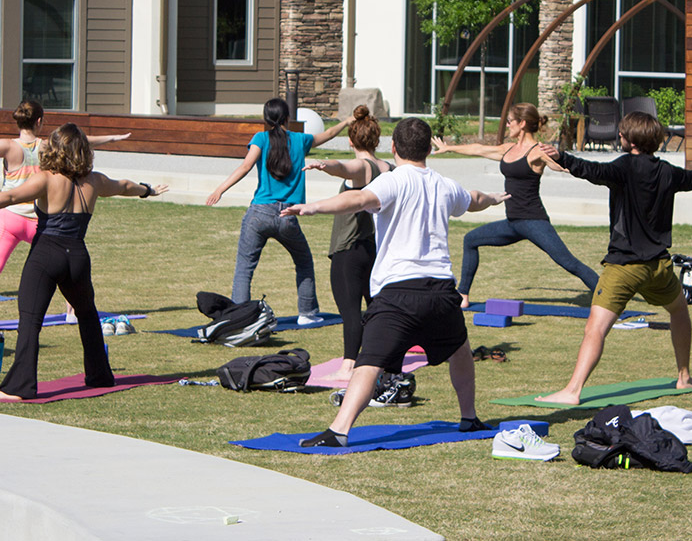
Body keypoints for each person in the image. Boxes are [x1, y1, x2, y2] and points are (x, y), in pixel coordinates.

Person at [280, 117, 510, 447]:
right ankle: (469, 417)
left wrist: (313, 208)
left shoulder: (393, 180)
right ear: (430, 148)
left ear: (393, 147)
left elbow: (357, 200)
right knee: (459, 351)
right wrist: (493, 198)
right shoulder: (443, 184)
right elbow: (473, 199)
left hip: (398, 293)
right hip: (441, 292)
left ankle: (339, 430)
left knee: (368, 362)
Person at [0, 123, 167, 400]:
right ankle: (100, 376)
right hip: (77, 257)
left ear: (56, 149)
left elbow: (12, 195)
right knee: (87, 315)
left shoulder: (46, 178)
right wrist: (148, 190)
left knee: (30, 320)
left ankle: (18, 388)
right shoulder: (94, 181)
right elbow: (124, 186)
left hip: (46, 255)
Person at [534, 111, 692, 406]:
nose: (620, 137)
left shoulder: (624, 167)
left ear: (629, 140)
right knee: (679, 311)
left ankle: (572, 391)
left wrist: (562, 157)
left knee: (595, 328)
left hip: (624, 267)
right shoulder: (667, 171)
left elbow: (592, 171)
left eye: (622, 134)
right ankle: (684, 376)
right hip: (659, 267)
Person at [0, 100, 129, 331]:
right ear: (40, 121)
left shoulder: (9, 146)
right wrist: (111, 138)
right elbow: (80, 142)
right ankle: (71, 312)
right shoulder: (49, 145)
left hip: (8, 219)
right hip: (41, 222)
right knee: (65, 261)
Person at [431, 103, 599, 308]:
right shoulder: (508, 149)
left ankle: (607, 297)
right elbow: (479, 149)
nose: (508, 125)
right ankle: (463, 295)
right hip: (512, 223)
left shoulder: (537, 151)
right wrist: (449, 147)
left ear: (522, 123)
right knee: (471, 239)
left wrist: (560, 162)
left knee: (569, 263)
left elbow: (556, 165)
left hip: (534, 221)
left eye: (510, 121)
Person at [206, 98, 351, 324]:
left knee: (244, 268)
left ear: (266, 119)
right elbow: (330, 133)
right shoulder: (301, 140)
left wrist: (220, 189)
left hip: (259, 214)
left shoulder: (260, 139)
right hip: (288, 215)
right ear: (287, 119)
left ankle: (239, 319)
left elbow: (245, 166)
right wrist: (348, 121)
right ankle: (307, 314)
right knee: (303, 262)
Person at [302, 105, 393, 381]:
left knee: (350, 311)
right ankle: (385, 357)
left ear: (351, 141)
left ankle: (348, 366)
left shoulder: (363, 167)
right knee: (375, 307)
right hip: (372, 248)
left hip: (349, 250)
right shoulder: (388, 167)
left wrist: (324, 165)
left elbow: (345, 167)